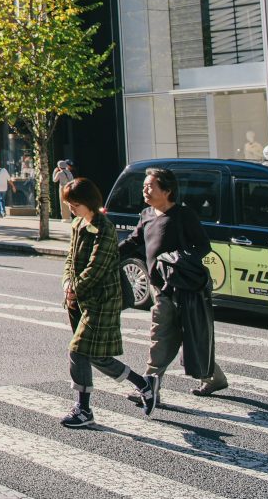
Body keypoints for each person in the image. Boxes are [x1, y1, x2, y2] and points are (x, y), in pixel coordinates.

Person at [119, 168, 228, 399]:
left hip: (183, 287)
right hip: (160, 288)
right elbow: (134, 241)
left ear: (167, 190)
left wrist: (176, 259)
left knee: (181, 335)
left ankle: (149, 387)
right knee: (165, 335)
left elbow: (202, 246)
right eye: (144, 186)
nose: (145, 190)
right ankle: (214, 377)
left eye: (150, 186)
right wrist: (109, 254)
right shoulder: (147, 214)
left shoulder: (183, 215)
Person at [60, 178, 159, 427]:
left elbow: (98, 267)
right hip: (79, 299)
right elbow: (70, 259)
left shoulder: (104, 228)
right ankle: (143, 384)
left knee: (78, 350)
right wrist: (66, 284)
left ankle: (84, 410)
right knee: (94, 355)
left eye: (75, 204)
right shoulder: (78, 224)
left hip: (102, 300)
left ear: (88, 202)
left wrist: (76, 288)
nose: (71, 209)